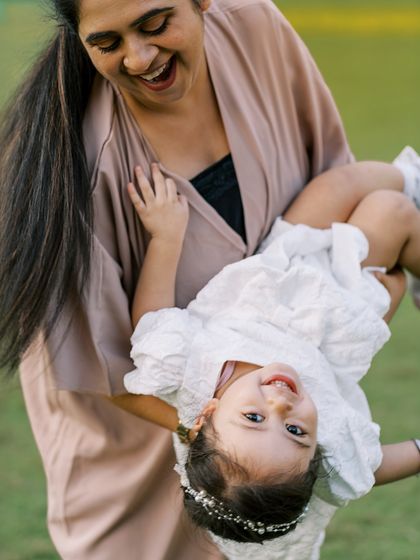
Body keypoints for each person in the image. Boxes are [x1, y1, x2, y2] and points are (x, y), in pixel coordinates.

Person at [0, 0, 356, 558]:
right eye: (107, 43)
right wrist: (236, 431)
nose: (140, 59)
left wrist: (267, 431)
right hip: (131, 449)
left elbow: (334, 181)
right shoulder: (72, 170)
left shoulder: (254, 27)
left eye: (155, 24)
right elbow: (114, 367)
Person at [123, 156, 420, 559]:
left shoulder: (187, 368)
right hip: (335, 308)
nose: (281, 404)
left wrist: (166, 236)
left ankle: (410, 179)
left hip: (277, 271)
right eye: (296, 431)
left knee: (338, 185)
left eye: (254, 418)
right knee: (391, 211)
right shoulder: (329, 434)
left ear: (207, 414)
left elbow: (152, 320)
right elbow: (370, 466)